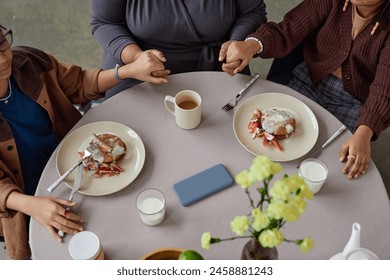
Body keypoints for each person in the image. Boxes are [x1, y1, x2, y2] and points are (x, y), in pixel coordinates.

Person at [0, 23, 168, 259]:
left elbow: (79, 82)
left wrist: (127, 71)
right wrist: (32, 205)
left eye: (1, 43)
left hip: (79, 168)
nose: (3, 60)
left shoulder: (30, 61)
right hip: (26, 200)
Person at [220, 0, 390, 180]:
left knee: (326, 167)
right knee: (264, 138)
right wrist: (250, 45)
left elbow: (384, 87)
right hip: (307, 77)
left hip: (355, 101)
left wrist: (365, 130)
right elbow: (288, 29)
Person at [90, 0, 267, 99]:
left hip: (217, 65)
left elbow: (252, 12)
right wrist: (136, 57)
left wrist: (237, 42)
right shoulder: (136, 60)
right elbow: (104, 22)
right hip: (137, 67)